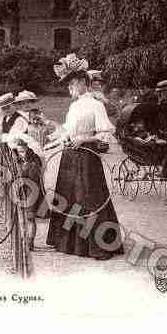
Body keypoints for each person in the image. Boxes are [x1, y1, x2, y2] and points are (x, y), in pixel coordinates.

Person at [46, 54, 124, 260]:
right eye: (68, 84)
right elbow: (69, 131)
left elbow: (106, 132)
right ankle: (69, 244)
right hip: (69, 157)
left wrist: (84, 140)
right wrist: (61, 138)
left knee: (88, 198)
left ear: (82, 82)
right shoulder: (74, 106)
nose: (69, 88)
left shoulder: (95, 105)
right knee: (69, 197)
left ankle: (98, 247)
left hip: (87, 158)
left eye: (71, 83)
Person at [0, 90, 50, 251]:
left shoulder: (22, 120)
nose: (5, 110)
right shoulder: (4, 119)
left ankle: (28, 240)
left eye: (7, 107)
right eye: (3, 108)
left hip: (25, 161)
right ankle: (14, 230)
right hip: (9, 157)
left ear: (12, 106)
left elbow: (13, 139)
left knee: (27, 199)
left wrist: (6, 140)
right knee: (10, 192)